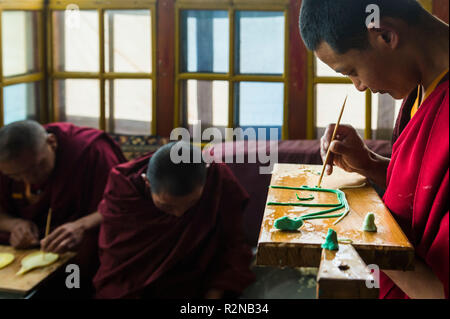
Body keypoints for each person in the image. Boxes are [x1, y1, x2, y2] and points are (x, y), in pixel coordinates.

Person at [299, 0, 448, 298]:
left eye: (352, 70)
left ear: (385, 36)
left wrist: (359, 230)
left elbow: (439, 291)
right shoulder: (422, 82)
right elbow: (426, 193)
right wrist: (369, 163)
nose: (359, 86)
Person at [93, 141, 255, 299]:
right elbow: (117, 267)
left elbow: (232, 247)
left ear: (205, 182)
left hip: (199, 282)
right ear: (147, 183)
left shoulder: (218, 181)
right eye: (167, 207)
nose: (179, 214)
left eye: (192, 204)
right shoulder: (125, 193)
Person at [0, 120, 126, 295]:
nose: (29, 180)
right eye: (15, 176)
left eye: (36, 167)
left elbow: (121, 204)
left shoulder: (91, 150)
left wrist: (81, 225)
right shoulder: (5, 163)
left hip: (84, 240)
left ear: (52, 142)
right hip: (31, 245)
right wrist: (14, 225)